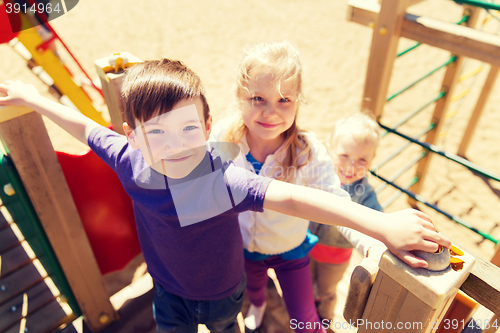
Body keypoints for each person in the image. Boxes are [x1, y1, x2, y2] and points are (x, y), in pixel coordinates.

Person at [0, 59, 449, 333]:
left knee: (223, 328)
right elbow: (86, 128)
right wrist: (33, 97)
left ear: (208, 127)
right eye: (157, 133)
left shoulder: (218, 181)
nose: (175, 145)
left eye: (187, 129)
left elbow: (293, 198)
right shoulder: (127, 161)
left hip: (222, 292)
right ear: (131, 137)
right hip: (167, 291)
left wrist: (380, 224)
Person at [209, 41, 391, 332]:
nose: (271, 112)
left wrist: (370, 239)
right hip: (242, 247)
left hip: (290, 251)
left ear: (297, 101)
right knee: (254, 290)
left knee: (305, 320)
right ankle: (259, 304)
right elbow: (204, 187)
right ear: (239, 96)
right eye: (258, 98)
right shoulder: (223, 136)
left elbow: (336, 200)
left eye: (284, 100)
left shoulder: (307, 152)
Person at [309, 111, 383, 321]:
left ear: (372, 160)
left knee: (326, 291)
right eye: (344, 156)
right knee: (305, 284)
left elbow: (377, 218)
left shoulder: (365, 193)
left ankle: (325, 317)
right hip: (306, 245)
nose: (352, 165)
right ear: (329, 150)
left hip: (335, 257)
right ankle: (306, 313)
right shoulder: (320, 176)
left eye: (362, 159)